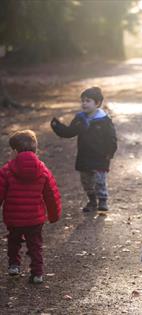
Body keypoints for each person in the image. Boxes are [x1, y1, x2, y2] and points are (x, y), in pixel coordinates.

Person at [0, 130, 62, 284]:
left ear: (14, 151)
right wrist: (53, 215)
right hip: (35, 218)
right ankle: (37, 273)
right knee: (35, 245)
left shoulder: (6, 170)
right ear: (35, 149)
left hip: (14, 218)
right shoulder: (43, 170)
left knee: (13, 240)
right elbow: (51, 194)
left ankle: (14, 265)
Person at [50, 87, 117, 212]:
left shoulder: (104, 121)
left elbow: (111, 138)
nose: (84, 103)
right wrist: (57, 126)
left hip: (100, 156)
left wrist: (110, 152)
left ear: (97, 103)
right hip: (84, 156)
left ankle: (102, 200)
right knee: (86, 181)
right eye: (83, 101)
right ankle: (92, 201)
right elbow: (69, 132)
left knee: (99, 180)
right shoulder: (80, 119)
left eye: (88, 101)